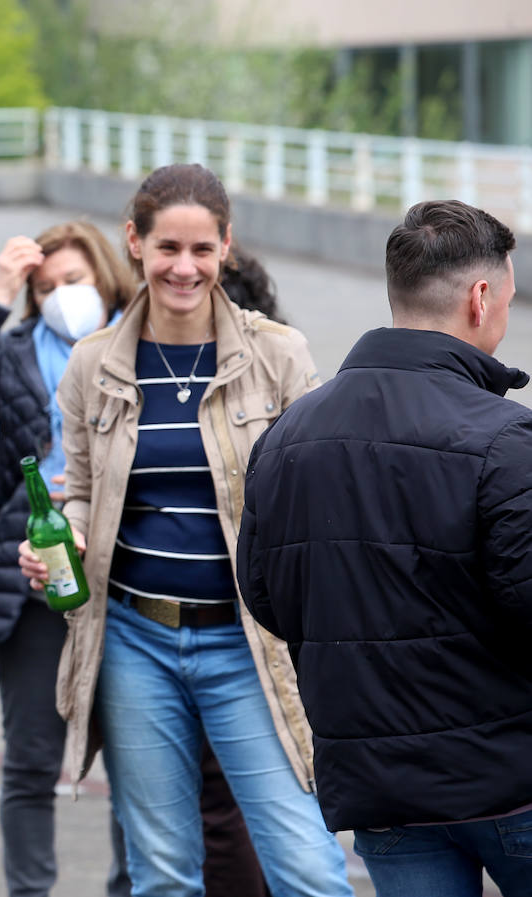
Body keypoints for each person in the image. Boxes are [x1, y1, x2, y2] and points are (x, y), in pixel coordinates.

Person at [18, 163, 352, 897]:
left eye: (202, 249)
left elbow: (319, 498)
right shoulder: (91, 364)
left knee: (307, 866)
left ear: (227, 247)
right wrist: (61, 541)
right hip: (134, 642)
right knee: (163, 873)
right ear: (133, 242)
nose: (184, 266)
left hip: (249, 642)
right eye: (167, 247)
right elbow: (74, 491)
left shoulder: (279, 356)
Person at [238, 200, 532, 897]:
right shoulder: (505, 438)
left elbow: (268, 597)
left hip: (381, 789)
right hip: (512, 779)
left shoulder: (288, 436)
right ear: (481, 296)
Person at [0, 220, 135, 897]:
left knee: (140, 764)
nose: (61, 297)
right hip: (34, 574)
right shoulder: (16, 351)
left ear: (104, 276)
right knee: (32, 760)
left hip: (129, 571)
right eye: (45, 289)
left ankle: (136, 885)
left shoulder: (154, 339)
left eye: (73, 281)